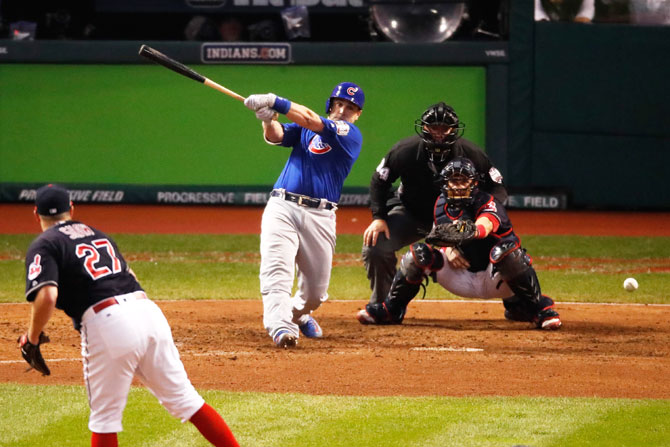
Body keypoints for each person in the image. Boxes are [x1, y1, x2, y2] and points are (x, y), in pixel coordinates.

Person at [18, 184, 239, 447]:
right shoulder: (98, 234)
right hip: (147, 311)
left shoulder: (45, 243)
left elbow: (47, 296)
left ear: (35, 213)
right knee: (187, 401)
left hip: (108, 322)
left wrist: (31, 338)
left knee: (104, 420)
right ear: (71, 209)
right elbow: (130, 276)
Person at [356, 157, 562, 330]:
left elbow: (484, 227)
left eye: (463, 181)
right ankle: (392, 309)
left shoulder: (487, 201)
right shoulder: (440, 204)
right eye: (453, 181)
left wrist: (464, 232)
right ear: (444, 184)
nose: (458, 186)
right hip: (461, 275)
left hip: (497, 277)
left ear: (474, 183)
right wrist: (447, 248)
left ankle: (538, 310)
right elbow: (441, 235)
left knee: (507, 253)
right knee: (417, 255)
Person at [243, 82, 365, 348]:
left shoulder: (350, 134)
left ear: (357, 115)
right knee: (277, 271)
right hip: (282, 206)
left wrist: (276, 100)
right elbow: (277, 136)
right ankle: (281, 328)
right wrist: (267, 119)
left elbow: (309, 117)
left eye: (350, 107)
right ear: (331, 104)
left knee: (315, 295)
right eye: (339, 104)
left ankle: (298, 314)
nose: (343, 110)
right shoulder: (304, 130)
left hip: (321, 216)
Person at [362, 102, 507, 307]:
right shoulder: (405, 150)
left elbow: (498, 188)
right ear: (424, 128)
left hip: (459, 219)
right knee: (375, 244)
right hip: (411, 214)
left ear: (454, 130)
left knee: (506, 247)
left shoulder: (471, 153)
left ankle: (518, 304)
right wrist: (378, 217)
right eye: (433, 127)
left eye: (444, 128)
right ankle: (385, 305)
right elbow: (380, 180)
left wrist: (481, 218)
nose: (438, 133)